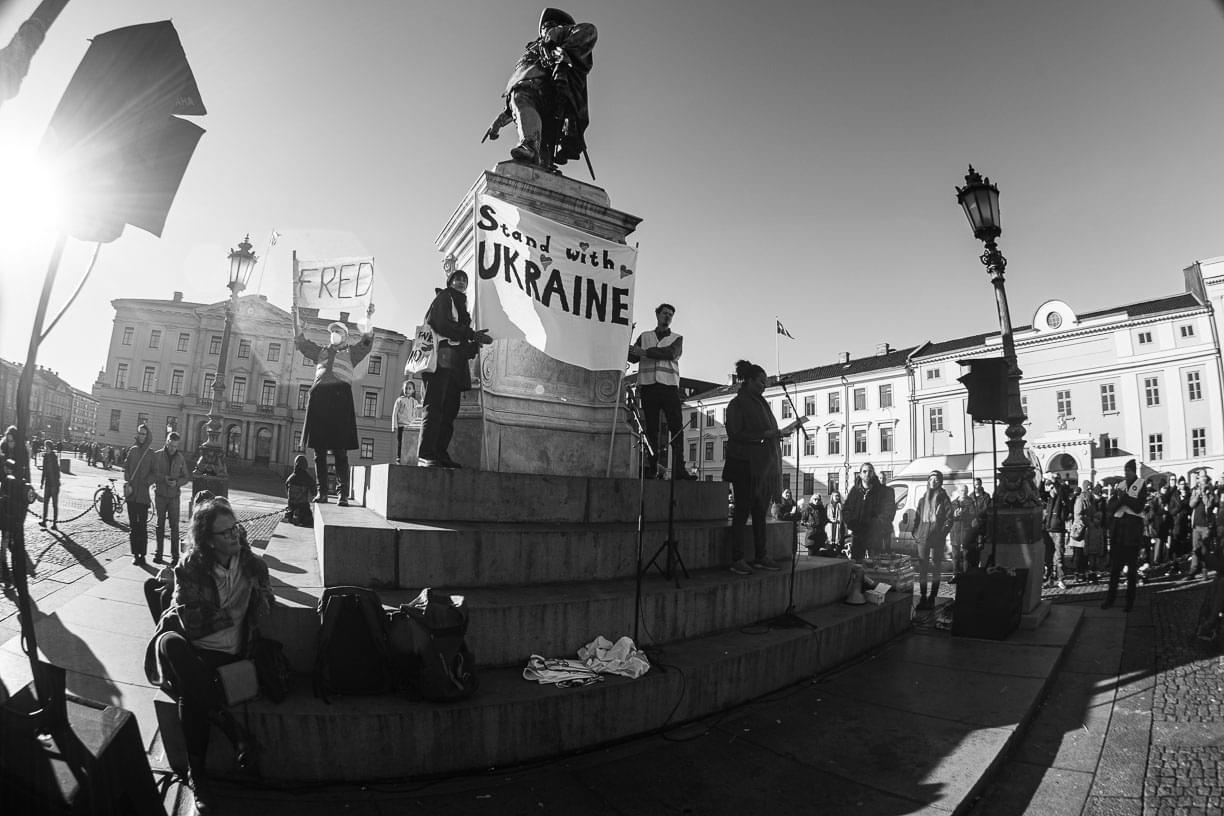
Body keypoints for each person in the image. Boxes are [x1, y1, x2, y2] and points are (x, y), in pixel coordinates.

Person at [144, 497, 274, 813]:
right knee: (172, 644)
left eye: (235, 528)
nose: (235, 536)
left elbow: (267, 605)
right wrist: (229, 613)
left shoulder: (252, 566)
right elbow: (189, 621)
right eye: (225, 533)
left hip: (224, 656)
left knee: (193, 690)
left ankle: (197, 773)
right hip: (188, 646)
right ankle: (231, 732)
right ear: (208, 541)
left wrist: (256, 598)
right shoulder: (191, 567)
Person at [723, 359, 807, 575]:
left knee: (760, 513)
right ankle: (737, 558)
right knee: (742, 512)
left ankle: (761, 555)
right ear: (749, 380)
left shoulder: (761, 403)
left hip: (762, 467)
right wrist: (766, 435)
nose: (764, 386)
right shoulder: (737, 403)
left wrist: (777, 433)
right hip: (744, 465)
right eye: (761, 381)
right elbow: (735, 433)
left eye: (766, 383)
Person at [485, 8, 597, 169]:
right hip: (528, 90)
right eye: (545, 26)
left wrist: (559, 45)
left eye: (550, 24)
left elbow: (589, 30)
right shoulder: (534, 50)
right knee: (522, 101)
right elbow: (517, 105)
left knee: (544, 137)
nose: (546, 27)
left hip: (552, 91)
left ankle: (531, 147)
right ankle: (538, 158)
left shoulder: (560, 36)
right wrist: (499, 122)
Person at [294, 303, 376, 505]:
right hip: (320, 402)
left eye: (338, 332)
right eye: (332, 332)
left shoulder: (351, 353)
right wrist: (295, 321)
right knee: (319, 451)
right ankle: (322, 493)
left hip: (340, 402)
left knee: (340, 451)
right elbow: (301, 343)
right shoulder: (321, 352)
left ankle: (342, 494)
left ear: (345, 336)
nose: (334, 334)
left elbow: (366, 343)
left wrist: (368, 318)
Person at [418, 266, 492, 468]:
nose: (460, 282)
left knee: (449, 412)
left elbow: (460, 343)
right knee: (434, 408)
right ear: (450, 282)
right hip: (439, 362)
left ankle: (440, 453)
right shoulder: (444, 298)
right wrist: (470, 334)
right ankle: (426, 454)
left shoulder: (462, 308)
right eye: (457, 278)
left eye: (464, 280)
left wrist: (473, 345)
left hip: (454, 365)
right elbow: (442, 325)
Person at [628, 303, 697, 480]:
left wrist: (644, 352)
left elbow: (670, 353)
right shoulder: (644, 336)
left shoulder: (677, 338)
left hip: (669, 387)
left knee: (676, 427)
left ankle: (679, 469)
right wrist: (626, 337)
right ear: (657, 315)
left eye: (670, 315)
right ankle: (653, 467)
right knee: (651, 429)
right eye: (665, 313)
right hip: (649, 387)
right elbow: (633, 357)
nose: (667, 317)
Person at [1103, 459, 1149, 611]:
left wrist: (1124, 498)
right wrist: (1120, 499)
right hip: (1118, 533)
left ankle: (1129, 602)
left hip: (1132, 534)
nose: (1126, 474)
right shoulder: (1120, 486)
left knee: (1131, 573)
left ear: (1134, 471)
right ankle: (1110, 599)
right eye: (1125, 471)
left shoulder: (1141, 485)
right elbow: (1111, 506)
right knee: (1115, 570)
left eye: (1128, 471)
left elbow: (1138, 507)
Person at [910, 471, 953, 610]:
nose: (933, 481)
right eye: (931, 479)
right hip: (922, 538)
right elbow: (917, 517)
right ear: (928, 481)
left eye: (936, 479)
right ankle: (923, 595)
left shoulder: (944, 498)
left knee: (936, 568)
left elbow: (949, 518)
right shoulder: (923, 499)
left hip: (937, 539)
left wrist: (941, 534)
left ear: (940, 482)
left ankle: (933, 597)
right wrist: (915, 532)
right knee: (922, 568)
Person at [151, 431, 190, 564]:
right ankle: (158, 553)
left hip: (174, 497)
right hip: (160, 495)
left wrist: (177, 483)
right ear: (166, 442)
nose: (173, 448)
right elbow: (153, 473)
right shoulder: (157, 456)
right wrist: (163, 479)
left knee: (174, 526)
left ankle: (175, 556)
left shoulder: (180, 458)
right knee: (159, 525)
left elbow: (186, 476)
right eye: (171, 445)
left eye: (175, 446)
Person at [843, 462, 895, 562]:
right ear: (860, 474)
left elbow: (889, 511)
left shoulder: (882, 491)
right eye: (864, 471)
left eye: (870, 471)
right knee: (857, 565)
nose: (867, 474)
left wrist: (877, 524)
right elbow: (846, 510)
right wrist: (852, 523)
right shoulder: (855, 491)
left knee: (875, 565)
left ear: (873, 473)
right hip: (858, 535)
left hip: (874, 535)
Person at [124, 423, 155, 565]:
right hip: (131, 495)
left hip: (143, 496)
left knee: (142, 526)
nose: (141, 436)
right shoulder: (133, 450)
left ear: (147, 435)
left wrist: (147, 481)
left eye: (144, 434)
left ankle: (142, 554)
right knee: (133, 526)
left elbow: (155, 473)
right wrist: (128, 477)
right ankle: (135, 553)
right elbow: (126, 467)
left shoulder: (151, 453)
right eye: (140, 433)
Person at [1042, 476, 1071, 589]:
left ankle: (1060, 579)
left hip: (1058, 530)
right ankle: (1050, 579)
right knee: (1048, 557)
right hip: (1048, 530)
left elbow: (1061, 490)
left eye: (1052, 487)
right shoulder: (1048, 499)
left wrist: (1055, 482)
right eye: (1049, 487)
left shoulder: (1061, 496)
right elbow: (1039, 491)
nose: (1051, 489)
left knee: (1059, 556)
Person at [1186, 472, 1214, 581]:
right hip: (1196, 525)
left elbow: (1209, 504)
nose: (1202, 481)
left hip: (1206, 525)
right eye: (1200, 479)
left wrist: (1204, 494)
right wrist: (1198, 495)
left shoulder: (1210, 491)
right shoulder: (1194, 491)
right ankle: (1193, 570)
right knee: (1195, 549)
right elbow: (1191, 504)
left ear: (1207, 481)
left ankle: (1205, 571)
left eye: (1204, 479)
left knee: (1205, 550)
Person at [391, 380, 421, 465]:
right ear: (403, 389)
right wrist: (394, 426)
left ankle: (409, 457)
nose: (407, 390)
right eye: (406, 388)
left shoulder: (415, 402)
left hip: (411, 426)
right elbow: (395, 413)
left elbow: (416, 414)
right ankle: (398, 458)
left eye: (409, 388)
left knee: (410, 442)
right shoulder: (399, 400)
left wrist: (416, 425)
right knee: (400, 442)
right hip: (401, 425)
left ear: (413, 390)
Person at [285, 454, 317, 527]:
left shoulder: (290, 478)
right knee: (310, 522)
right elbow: (314, 491)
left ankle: (293, 516)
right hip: (303, 508)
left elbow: (287, 489)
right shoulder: (308, 478)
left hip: (291, 507)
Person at [949, 485, 972, 578]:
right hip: (955, 532)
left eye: (965, 490)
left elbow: (973, 515)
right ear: (958, 491)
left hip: (966, 532)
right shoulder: (953, 503)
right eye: (962, 490)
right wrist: (954, 515)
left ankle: (966, 576)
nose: (964, 492)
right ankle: (955, 575)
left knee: (966, 556)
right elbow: (948, 517)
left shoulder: (970, 502)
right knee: (955, 556)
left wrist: (964, 514)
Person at [38, 440, 60, 529]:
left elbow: (57, 472)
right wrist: (42, 482)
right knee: (45, 503)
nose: (45, 449)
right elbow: (44, 471)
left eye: (47, 447)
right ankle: (44, 521)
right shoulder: (45, 457)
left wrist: (56, 482)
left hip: (54, 485)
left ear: (50, 448)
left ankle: (54, 524)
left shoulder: (54, 457)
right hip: (48, 484)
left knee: (54, 504)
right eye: (45, 447)